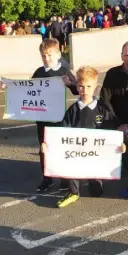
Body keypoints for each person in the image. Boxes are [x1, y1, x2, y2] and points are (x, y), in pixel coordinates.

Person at [42, 66, 125, 208]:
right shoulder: (73, 110)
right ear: (77, 86)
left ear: (95, 87)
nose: (84, 90)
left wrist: (120, 144)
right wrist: (48, 144)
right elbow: (62, 132)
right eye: (81, 86)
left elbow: (112, 130)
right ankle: (73, 191)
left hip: (95, 155)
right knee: (71, 163)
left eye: (88, 86)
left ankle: (96, 181)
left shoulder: (102, 109)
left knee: (96, 192)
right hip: (76, 152)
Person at [32, 39, 78, 192]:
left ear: (58, 54)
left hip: (59, 118)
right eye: (43, 56)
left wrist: (70, 83)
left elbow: (77, 90)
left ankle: (64, 178)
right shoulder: (39, 72)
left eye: (50, 55)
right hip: (42, 119)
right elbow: (27, 90)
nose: (47, 59)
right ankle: (47, 178)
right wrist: (10, 87)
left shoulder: (63, 71)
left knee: (60, 147)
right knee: (44, 149)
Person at [100, 41, 128, 127]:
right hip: (114, 124)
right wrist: (116, 123)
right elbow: (105, 100)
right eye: (126, 55)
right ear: (121, 56)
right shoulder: (112, 74)